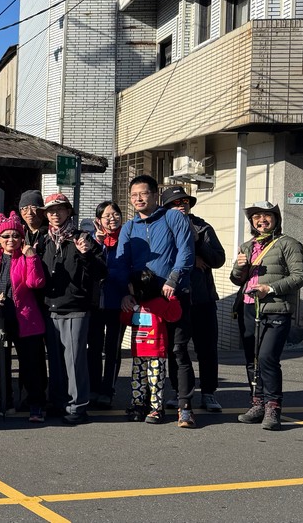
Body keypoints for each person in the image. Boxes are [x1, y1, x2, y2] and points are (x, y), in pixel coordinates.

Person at [111, 175, 196, 428]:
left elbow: (186, 251)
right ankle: (147, 404)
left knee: (178, 350)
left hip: (174, 295)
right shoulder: (129, 227)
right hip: (144, 301)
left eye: (143, 193)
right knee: (147, 354)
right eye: (134, 195)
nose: (138, 198)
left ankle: (184, 406)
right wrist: (126, 291)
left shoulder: (172, 218)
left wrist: (173, 279)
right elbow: (120, 263)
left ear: (155, 195)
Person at [231, 201, 303, 430]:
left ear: (276, 219)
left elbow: (300, 276)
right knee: (252, 360)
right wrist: (239, 267)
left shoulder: (289, 244)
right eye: (256, 217)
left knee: (267, 358)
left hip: (276, 309)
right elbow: (237, 279)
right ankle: (257, 404)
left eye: (266, 216)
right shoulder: (247, 246)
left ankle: (273, 407)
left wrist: (270, 288)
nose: (261, 220)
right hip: (248, 307)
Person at [0, 212, 48, 422]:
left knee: (31, 364)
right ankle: (5, 402)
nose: (11, 240)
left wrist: (31, 257)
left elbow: (36, 283)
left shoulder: (28, 258)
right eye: (6, 236)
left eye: (15, 235)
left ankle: (36, 405)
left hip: (24, 318)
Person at [40, 192, 105, 424]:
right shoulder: (44, 240)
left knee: (75, 359)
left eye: (60, 209)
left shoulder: (83, 238)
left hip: (76, 307)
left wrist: (86, 254)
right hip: (51, 308)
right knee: (56, 360)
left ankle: (77, 405)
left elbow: (101, 272)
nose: (55, 214)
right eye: (50, 211)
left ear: (68, 211)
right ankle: (58, 402)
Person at [161, 185, 226, 413]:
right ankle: (178, 392)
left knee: (206, 348)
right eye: (175, 203)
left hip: (202, 298)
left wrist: (198, 245)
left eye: (184, 202)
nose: (181, 206)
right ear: (166, 208)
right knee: (176, 349)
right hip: (174, 298)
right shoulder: (161, 227)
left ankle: (208, 393)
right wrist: (189, 260)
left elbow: (218, 259)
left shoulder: (202, 227)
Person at [121, 268, 181, 424]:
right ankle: (138, 405)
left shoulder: (159, 303)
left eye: (131, 285)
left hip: (156, 351)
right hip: (138, 351)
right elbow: (125, 319)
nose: (129, 287)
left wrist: (172, 298)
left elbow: (174, 315)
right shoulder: (134, 303)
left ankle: (156, 408)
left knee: (155, 381)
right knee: (138, 380)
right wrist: (127, 305)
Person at [86, 201, 125, 409]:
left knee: (113, 348)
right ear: (98, 220)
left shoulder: (127, 239)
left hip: (117, 301)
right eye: (107, 216)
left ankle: (108, 389)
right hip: (94, 303)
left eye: (115, 214)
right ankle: (93, 388)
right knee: (93, 346)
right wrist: (98, 244)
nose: (112, 218)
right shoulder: (91, 240)